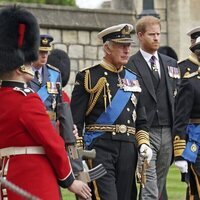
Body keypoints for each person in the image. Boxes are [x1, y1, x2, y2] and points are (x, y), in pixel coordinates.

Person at [0, 5, 91, 200]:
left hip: (7, 182)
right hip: (33, 181)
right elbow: (52, 143)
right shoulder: (27, 100)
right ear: (19, 67)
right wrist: (70, 180)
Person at [70, 23, 153, 200]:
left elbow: (142, 122)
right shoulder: (88, 77)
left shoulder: (134, 79)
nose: (127, 50)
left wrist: (144, 144)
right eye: (121, 45)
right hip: (99, 148)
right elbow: (75, 124)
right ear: (107, 47)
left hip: (128, 149)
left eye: (129, 45)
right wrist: (77, 160)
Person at [126, 16, 179, 200]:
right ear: (140, 36)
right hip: (144, 132)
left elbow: (176, 97)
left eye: (158, 34)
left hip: (168, 131)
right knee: (149, 185)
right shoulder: (130, 64)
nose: (156, 38)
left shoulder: (170, 63)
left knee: (158, 184)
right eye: (152, 34)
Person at [173, 36, 200, 200]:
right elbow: (180, 119)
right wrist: (179, 155)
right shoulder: (190, 82)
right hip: (196, 141)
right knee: (196, 189)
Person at [29, 34, 62, 126]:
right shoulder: (23, 73)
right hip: (30, 123)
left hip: (50, 125)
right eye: (40, 52)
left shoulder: (55, 74)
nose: (44, 56)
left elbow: (59, 104)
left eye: (46, 52)